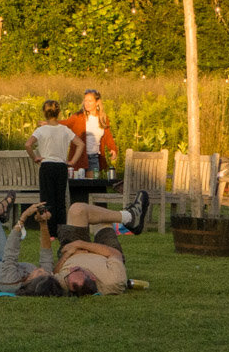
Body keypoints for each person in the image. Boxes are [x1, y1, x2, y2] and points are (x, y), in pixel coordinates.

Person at [51, 193, 149, 295]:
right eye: (78, 269)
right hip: (106, 254)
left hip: (73, 251)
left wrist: (67, 255)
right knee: (104, 219)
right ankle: (129, 217)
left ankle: (130, 218)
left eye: (69, 273)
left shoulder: (66, 282)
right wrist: (80, 244)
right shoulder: (112, 281)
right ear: (93, 277)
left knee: (77, 210)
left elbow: (55, 273)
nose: (72, 268)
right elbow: (115, 254)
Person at [26, 100, 80, 265]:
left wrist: (35, 157)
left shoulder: (41, 130)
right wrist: (72, 161)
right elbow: (80, 144)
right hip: (61, 166)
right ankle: (61, 230)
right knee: (60, 199)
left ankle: (48, 231)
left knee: (46, 198)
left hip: (47, 165)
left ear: (44, 113)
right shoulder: (65, 130)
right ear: (59, 113)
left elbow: (28, 144)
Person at [62, 89, 119, 179]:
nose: (87, 103)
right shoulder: (79, 116)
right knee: (77, 186)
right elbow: (65, 123)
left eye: (90, 101)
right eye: (85, 100)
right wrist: (50, 122)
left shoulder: (103, 118)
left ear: (97, 102)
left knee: (92, 184)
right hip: (79, 157)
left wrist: (112, 149)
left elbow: (108, 136)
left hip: (94, 157)